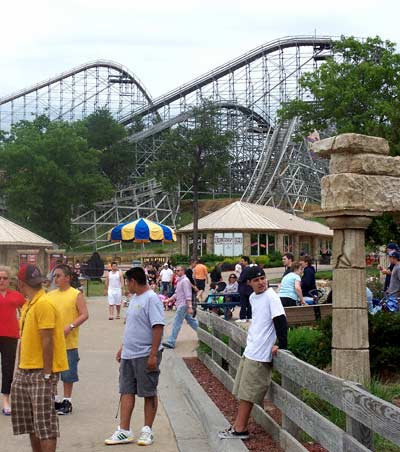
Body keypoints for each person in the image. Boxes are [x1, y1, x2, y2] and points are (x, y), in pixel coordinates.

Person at [218, 266, 287, 440]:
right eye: (256, 280)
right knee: (243, 391)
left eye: (263, 278)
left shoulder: (271, 296)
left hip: (261, 354)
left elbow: (281, 322)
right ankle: (237, 426)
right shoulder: (253, 297)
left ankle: (240, 429)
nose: (261, 282)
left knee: (248, 394)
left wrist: (282, 345)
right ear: (249, 283)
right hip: (251, 350)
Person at [105, 267, 165, 446]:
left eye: (126, 282)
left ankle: (147, 430)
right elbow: (132, 326)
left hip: (145, 353)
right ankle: (124, 430)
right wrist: (122, 348)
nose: (125, 286)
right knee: (126, 390)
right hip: (129, 354)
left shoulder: (151, 299)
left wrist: (153, 354)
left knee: (148, 392)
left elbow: (158, 327)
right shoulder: (134, 299)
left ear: (132, 281)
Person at [11, 264, 68, 452]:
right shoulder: (30, 303)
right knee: (31, 423)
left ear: (20, 283)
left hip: (40, 371)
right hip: (25, 369)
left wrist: (46, 375)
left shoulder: (43, 303)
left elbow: (47, 340)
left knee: (44, 425)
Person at [47, 264, 89, 415]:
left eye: (58, 275)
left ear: (68, 277)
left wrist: (70, 326)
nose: (55, 279)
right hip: (52, 341)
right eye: (54, 276)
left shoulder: (75, 294)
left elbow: (84, 314)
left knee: (68, 373)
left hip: (69, 341)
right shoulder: (50, 295)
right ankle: (55, 399)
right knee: (52, 373)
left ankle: (67, 401)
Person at [0, 266, 25, 415]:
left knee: (8, 368)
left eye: (4, 278)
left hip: (10, 336)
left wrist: (23, 326)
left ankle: (6, 399)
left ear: (9, 280)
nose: (2, 281)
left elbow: (27, 310)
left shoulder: (16, 295)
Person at [162, 266, 198, 349]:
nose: (176, 272)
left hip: (183, 305)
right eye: (175, 270)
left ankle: (171, 341)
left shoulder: (185, 281)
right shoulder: (180, 280)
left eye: (178, 270)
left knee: (176, 323)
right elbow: (177, 293)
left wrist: (190, 307)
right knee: (192, 322)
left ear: (183, 271)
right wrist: (168, 300)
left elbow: (188, 295)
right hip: (181, 304)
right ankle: (204, 334)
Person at [236, 256, 253, 323]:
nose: (241, 262)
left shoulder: (246, 269)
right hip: (249, 289)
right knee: (249, 304)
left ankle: (242, 317)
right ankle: (249, 317)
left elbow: (241, 279)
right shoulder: (251, 268)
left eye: (242, 261)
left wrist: (238, 280)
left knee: (243, 303)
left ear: (246, 261)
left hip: (244, 289)